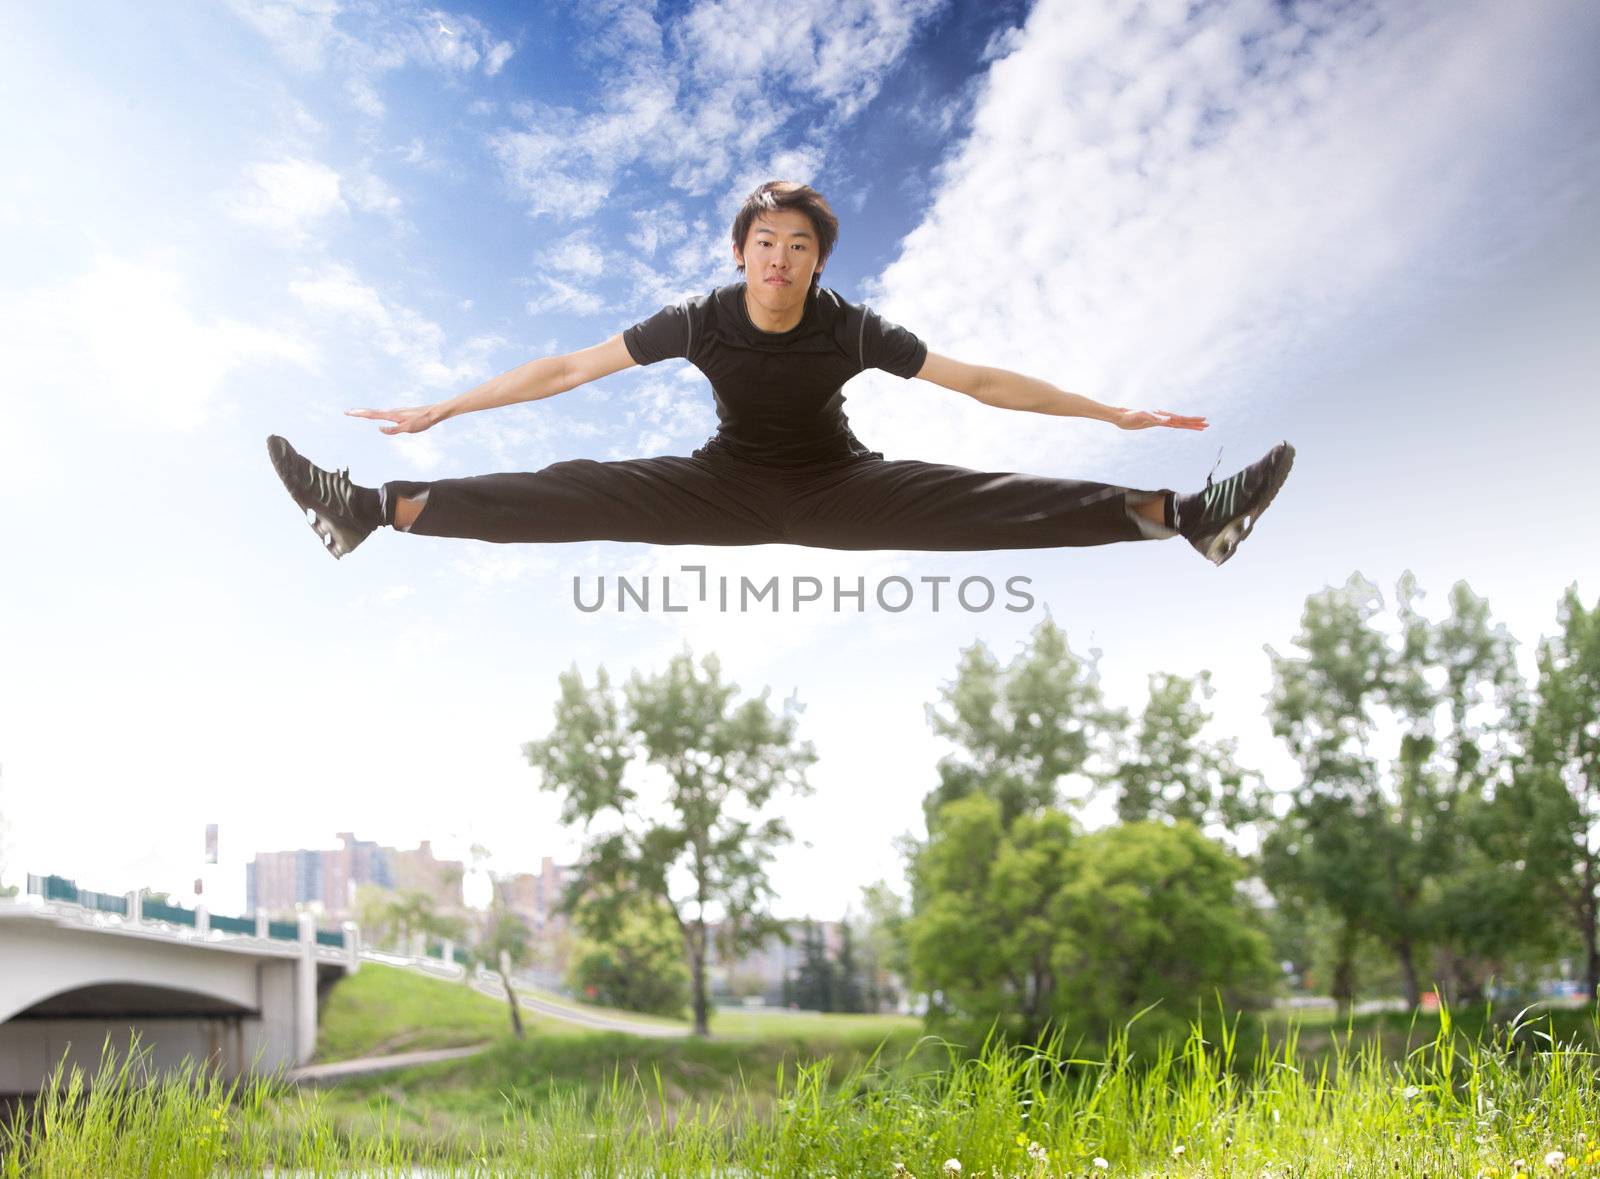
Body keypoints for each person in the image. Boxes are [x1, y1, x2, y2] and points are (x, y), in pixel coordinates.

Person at [267, 180, 1294, 566]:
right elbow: (571, 366)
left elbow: (979, 382)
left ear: (817, 262)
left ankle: (1188, 516)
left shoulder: (848, 330)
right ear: (739, 253)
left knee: (982, 503)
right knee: (574, 488)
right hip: (719, 484)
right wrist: (448, 404)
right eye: (763, 240)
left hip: (838, 485)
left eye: (798, 244)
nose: (778, 258)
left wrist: (1111, 414)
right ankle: (366, 511)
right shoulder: (701, 321)